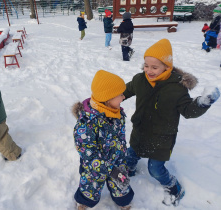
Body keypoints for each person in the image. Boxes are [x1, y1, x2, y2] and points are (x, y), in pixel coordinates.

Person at [123, 39, 220, 207]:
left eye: (154, 67)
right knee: (131, 153)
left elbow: (188, 111)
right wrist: (108, 98)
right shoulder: (140, 80)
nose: (149, 71)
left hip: (162, 137)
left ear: (167, 67)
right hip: (140, 130)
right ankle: (130, 169)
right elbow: (125, 91)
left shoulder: (177, 88)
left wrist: (203, 102)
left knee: (155, 169)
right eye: (146, 65)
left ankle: (173, 186)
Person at [72, 70, 134, 210]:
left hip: (117, 159)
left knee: (121, 187)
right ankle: (83, 203)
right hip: (96, 165)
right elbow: (88, 152)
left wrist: (121, 155)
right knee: (90, 187)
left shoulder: (117, 112)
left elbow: (120, 138)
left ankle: (123, 202)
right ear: (108, 98)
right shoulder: (87, 123)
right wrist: (108, 169)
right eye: (120, 95)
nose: (124, 97)